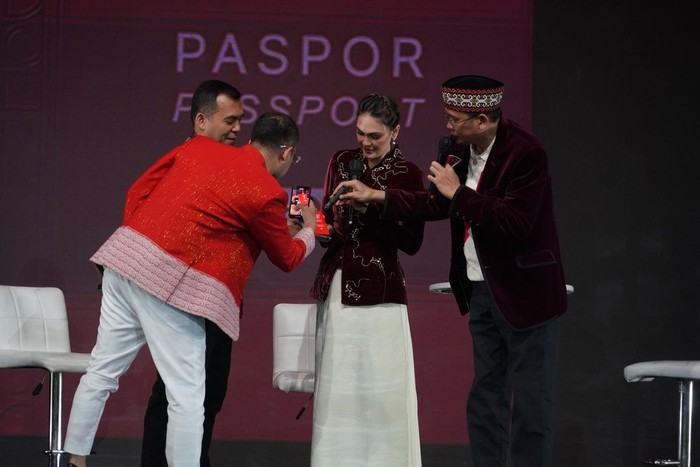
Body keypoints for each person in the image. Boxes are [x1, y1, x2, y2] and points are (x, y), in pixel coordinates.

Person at [334, 76, 568, 467]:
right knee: (486, 399)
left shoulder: (526, 153)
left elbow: (516, 222)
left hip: (527, 293)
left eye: (454, 119)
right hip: (481, 290)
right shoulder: (458, 150)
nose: (447, 126)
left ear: (482, 120)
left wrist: (459, 193)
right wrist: (376, 196)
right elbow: (433, 204)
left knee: (531, 403)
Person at [64, 111, 316, 467]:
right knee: (187, 397)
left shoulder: (198, 147)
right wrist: (309, 231)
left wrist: (142, 248)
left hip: (123, 260)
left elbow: (139, 190)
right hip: (171, 285)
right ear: (287, 152)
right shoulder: (267, 192)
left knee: (101, 372)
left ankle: (73, 460)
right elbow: (287, 258)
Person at [310, 94, 425, 466]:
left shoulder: (408, 174)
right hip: (338, 286)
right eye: (360, 132)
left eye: (374, 135)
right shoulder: (341, 161)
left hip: (381, 291)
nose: (365, 142)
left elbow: (412, 242)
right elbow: (332, 227)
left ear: (395, 131)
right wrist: (313, 224)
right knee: (338, 390)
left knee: (384, 395)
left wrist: (372, 209)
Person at [140, 79, 245, 467]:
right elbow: (138, 202)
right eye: (229, 121)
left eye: (240, 121)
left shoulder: (233, 167)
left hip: (219, 299)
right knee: (174, 393)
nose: (238, 129)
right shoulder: (180, 164)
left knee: (209, 395)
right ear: (201, 121)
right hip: (183, 299)